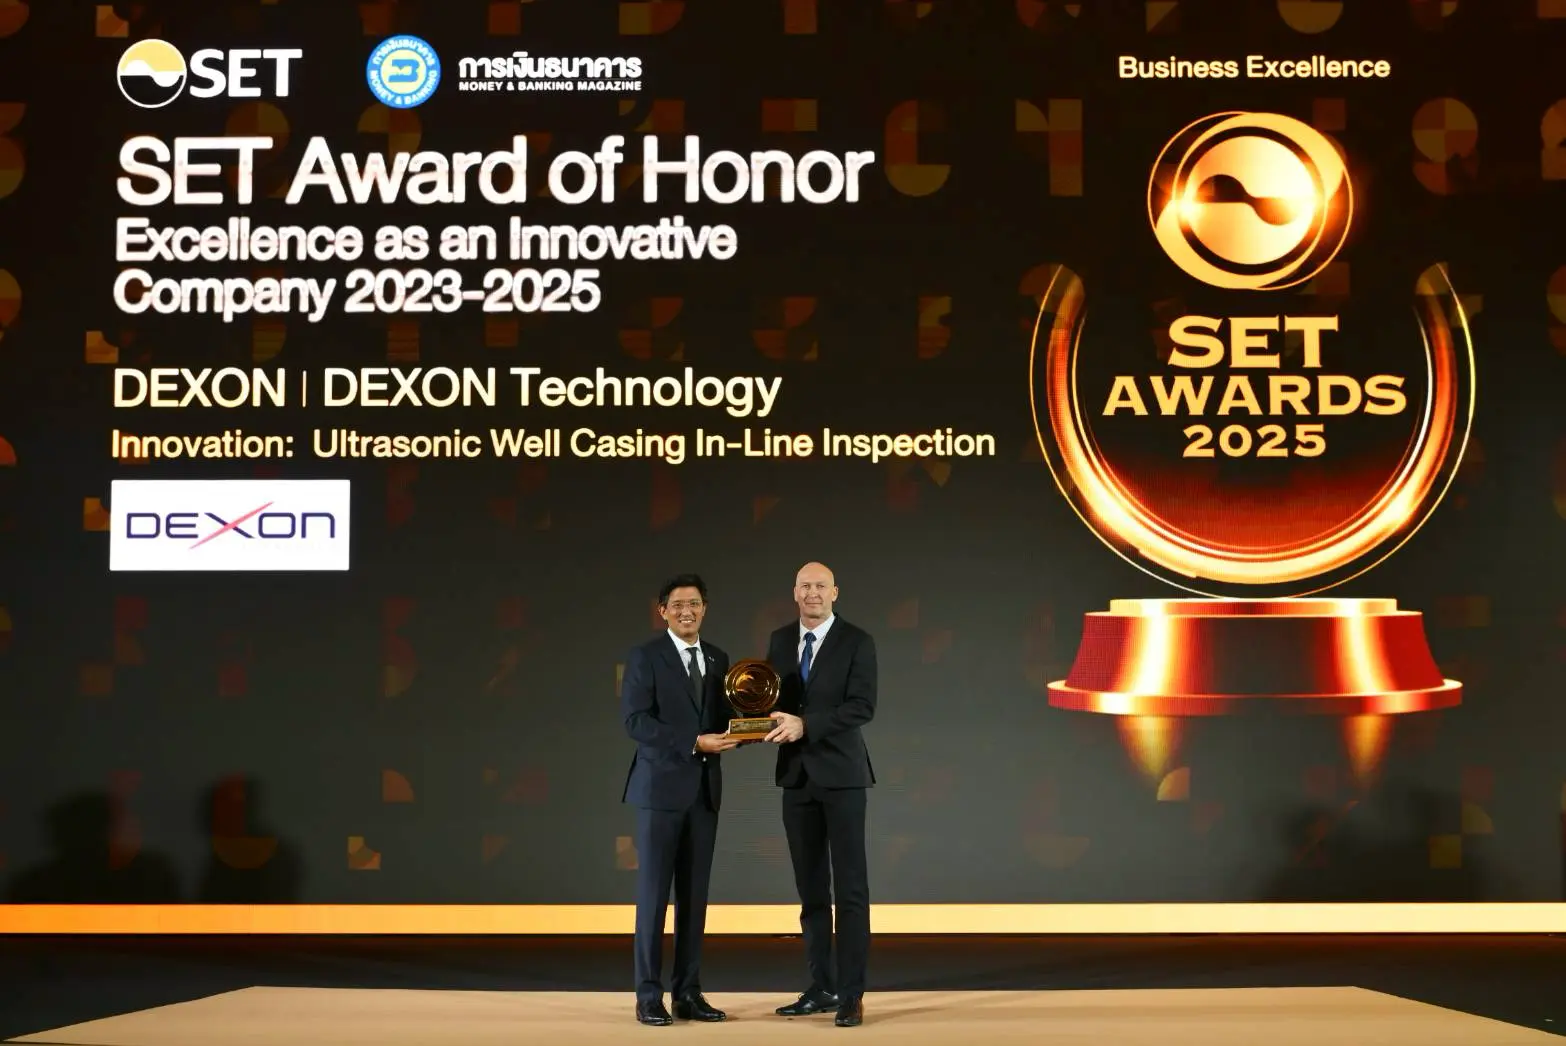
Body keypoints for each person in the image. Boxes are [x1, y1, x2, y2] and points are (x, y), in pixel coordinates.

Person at [620, 573, 739, 1026]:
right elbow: (635, 721)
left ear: (704, 608)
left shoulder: (718, 658)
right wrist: (693, 741)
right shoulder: (645, 656)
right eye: (677, 605)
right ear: (662, 611)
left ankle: (688, 992)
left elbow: (723, 718)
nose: (686, 611)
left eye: (694, 604)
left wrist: (750, 726)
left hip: (704, 794)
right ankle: (649, 997)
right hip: (659, 792)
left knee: (694, 899)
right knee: (653, 898)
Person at [763, 562, 877, 1028]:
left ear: (835, 593)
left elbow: (862, 707)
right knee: (810, 891)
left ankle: (851, 993)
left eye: (821, 586)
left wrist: (806, 725)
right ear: (795, 593)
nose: (813, 593)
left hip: (843, 778)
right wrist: (752, 718)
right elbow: (770, 702)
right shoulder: (779, 640)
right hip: (796, 780)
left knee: (850, 891)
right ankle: (822, 986)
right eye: (805, 586)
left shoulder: (857, 641)